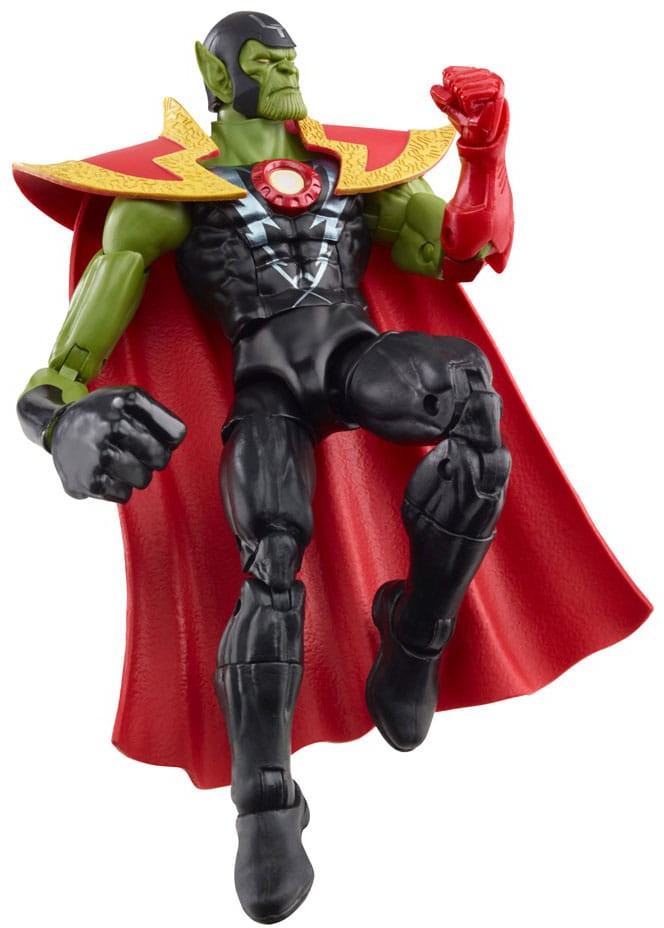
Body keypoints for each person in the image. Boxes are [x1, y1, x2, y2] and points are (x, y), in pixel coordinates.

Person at [14, 11, 650, 925]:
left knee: (470, 398)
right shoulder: (165, 194)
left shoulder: (357, 172)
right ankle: (265, 805)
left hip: (356, 357)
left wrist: (485, 155)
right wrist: (57, 424)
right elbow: (64, 364)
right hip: (266, 385)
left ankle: (414, 638)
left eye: (288, 58)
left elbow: (465, 251)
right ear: (215, 73)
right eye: (261, 61)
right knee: (270, 561)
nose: (283, 71)